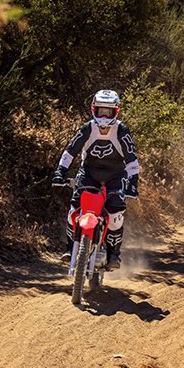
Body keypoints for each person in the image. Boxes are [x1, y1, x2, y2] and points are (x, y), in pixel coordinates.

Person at [51, 89, 139, 270]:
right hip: (89, 173)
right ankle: (70, 249)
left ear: (116, 111)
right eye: (101, 111)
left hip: (116, 175)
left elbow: (131, 159)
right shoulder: (87, 128)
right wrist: (60, 172)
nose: (104, 116)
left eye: (108, 111)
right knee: (74, 209)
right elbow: (70, 152)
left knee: (115, 213)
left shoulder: (122, 130)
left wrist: (133, 183)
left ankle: (114, 254)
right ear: (94, 109)